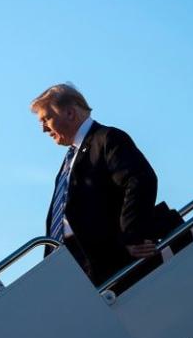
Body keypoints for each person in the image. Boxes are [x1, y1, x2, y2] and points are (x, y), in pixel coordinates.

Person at [31, 83, 161, 291]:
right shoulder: (69, 159)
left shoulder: (107, 139)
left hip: (111, 262)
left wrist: (132, 235)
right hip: (75, 263)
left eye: (46, 119)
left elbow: (139, 180)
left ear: (70, 113)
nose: (43, 128)